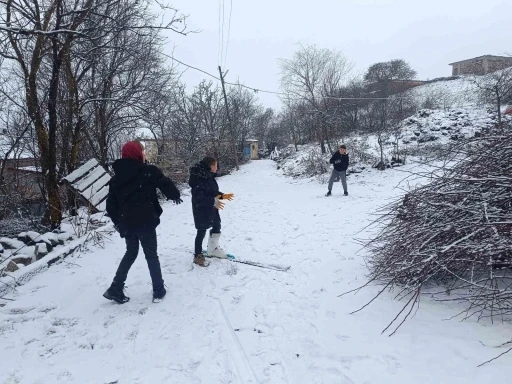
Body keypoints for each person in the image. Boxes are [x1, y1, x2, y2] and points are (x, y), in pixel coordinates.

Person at [104, 141, 182, 304]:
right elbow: (165, 183)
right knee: (151, 255)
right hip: (145, 221)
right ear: (137, 153)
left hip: (127, 223)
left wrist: (118, 223)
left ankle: (115, 287)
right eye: (143, 151)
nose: (144, 154)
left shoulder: (115, 179)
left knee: (131, 252)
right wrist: (174, 195)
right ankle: (158, 290)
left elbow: (110, 206)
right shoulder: (148, 171)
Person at [188, 156, 234, 267]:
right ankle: (198, 256)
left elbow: (211, 191)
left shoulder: (208, 176)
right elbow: (198, 198)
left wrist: (222, 196)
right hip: (201, 209)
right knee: (201, 231)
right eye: (216, 165)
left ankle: (213, 249)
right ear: (211, 166)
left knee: (217, 225)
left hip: (211, 208)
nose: (217, 168)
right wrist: (213, 201)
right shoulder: (198, 178)